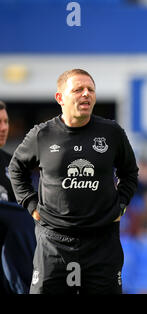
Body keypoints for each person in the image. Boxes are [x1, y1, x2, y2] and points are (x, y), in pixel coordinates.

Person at [8, 69, 139, 294]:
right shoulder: (42, 134)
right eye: (78, 90)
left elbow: (130, 172)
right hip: (54, 242)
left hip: (102, 242)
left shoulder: (111, 132)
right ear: (60, 98)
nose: (86, 94)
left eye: (90, 90)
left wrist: (121, 205)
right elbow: (16, 168)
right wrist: (31, 205)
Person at [0, 101, 36, 294]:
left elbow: (24, 212)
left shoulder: (12, 165)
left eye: (6, 121)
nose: (4, 128)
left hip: (7, 264)